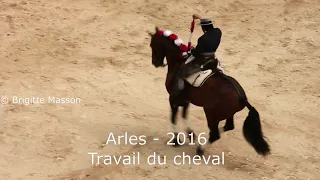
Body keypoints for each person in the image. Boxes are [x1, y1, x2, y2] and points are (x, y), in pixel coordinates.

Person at [172, 14, 224, 97]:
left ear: (203, 28)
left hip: (203, 60)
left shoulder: (202, 39)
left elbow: (197, 53)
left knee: (181, 72)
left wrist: (192, 50)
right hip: (212, 57)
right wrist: (199, 18)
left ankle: (180, 94)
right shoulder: (218, 32)